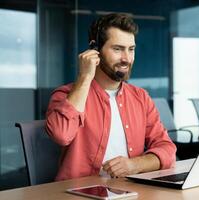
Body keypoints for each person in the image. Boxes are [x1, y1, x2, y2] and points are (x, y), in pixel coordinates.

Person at [45, 13, 176, 181]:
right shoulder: (64, 94)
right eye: (117, 49)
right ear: (95, 50)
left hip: (129, 191)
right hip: (78, 193)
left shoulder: (140, 98)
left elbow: (167, 150)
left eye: (131, 49)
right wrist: (85, 77)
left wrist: (134, 165)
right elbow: (61, 135)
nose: (127, 59)